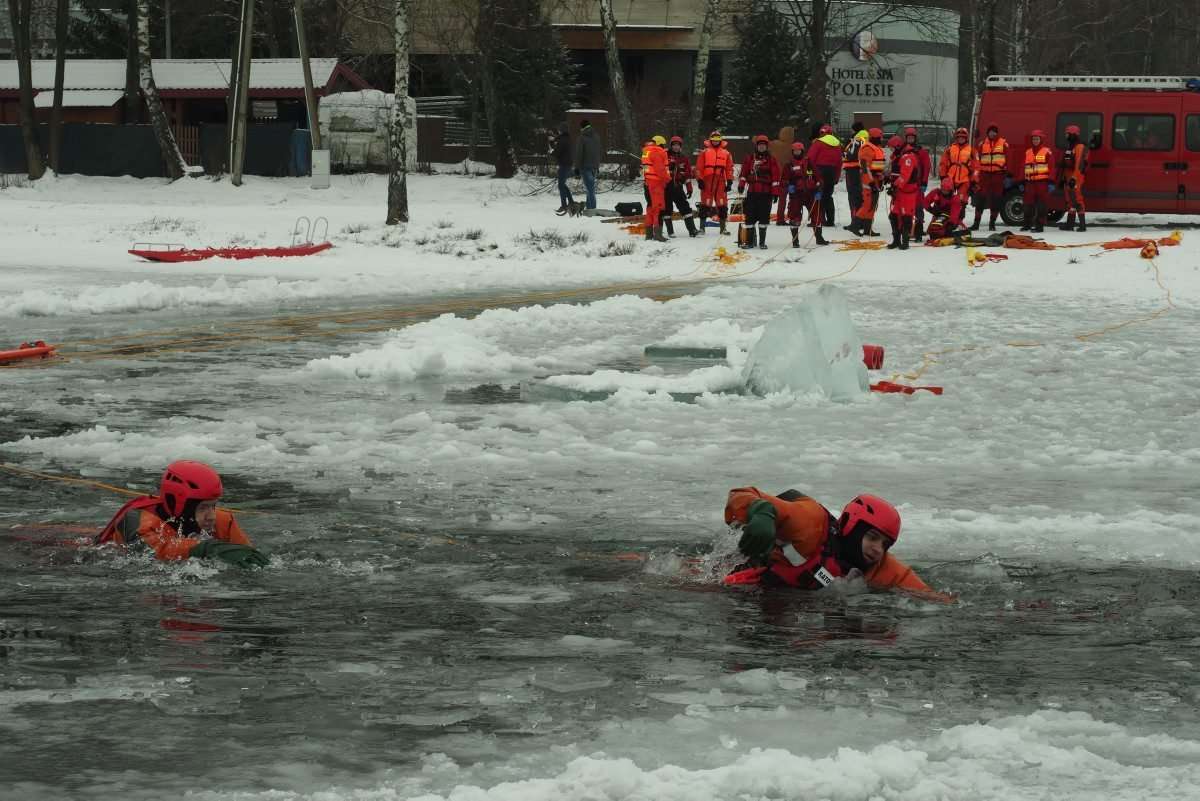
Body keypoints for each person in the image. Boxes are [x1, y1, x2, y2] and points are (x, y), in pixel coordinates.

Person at [723, 487, 942, 597]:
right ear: (851, 526)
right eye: (873, 537)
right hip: (733, 588)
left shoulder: (878, 567)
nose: (878, 549)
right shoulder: (810, 524)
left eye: (886, 544)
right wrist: (762, 513)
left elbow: (930, 598)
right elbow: (742, 494)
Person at [97, 460, 269, 568]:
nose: (211, 516)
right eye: (203, 508)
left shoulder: (223, 521)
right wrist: (205, 548)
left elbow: (249, 555)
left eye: (213, 506)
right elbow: (150, 554)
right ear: (179, 504)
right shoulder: (135, 520)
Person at [737, 134, 781, 249]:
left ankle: (762, 242)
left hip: (765, 193)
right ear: (756, 146)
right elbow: (743, 174)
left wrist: (776, 193)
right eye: (760, 145)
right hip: (752, 192)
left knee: (764, 217)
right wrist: (741, 185)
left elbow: (776, 178)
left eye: (763, 145)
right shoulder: (749, 159)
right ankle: (750, 242)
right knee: (750, 216)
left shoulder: (771, 160)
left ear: (767, 147)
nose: (761, 147)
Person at [782, 139, 827, 247]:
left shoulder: (809, 162)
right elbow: (784, 179)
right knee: (794, 216)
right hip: (796, 195)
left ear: (802, 151)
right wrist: (789, 186)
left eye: (799, 151)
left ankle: (819, 238)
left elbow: (818, 177)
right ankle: (795, 241)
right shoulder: (789, 164)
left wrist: (819, 189)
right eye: (795, 151)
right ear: (792, 152)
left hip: (811, 193)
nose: (797, 152)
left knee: (816, 215)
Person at [846, 127, 886, 237]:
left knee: (873, 205)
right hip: (869, 182)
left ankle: (868, 229)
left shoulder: (876, 148)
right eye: (880, 137)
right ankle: (855, 225)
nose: (881, 139)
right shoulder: (867, 149)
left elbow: (878, 166)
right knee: (867, 204)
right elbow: (865, 168)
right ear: (875, 137)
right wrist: (871, 182)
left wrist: (882, 178)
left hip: (876, 180)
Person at [696, 130, 735, 235]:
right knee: (705, 204)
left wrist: (729, 181)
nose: (716, 141)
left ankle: (723, 229)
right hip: (707, 181)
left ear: (720, 140)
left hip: (720, 181)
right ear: (710, 140)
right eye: (714, 139)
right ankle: (702, 228)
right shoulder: (704, 152)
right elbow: (699, 168)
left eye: (718, 139)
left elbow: (729, 169)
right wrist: (700, 180)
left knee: (722, 205)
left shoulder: (726, 153)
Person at [972, 122, 1008, 231]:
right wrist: (976, 176)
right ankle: (976, 223)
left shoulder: (1004, 144)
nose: (993, 134)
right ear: (988, 133)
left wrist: (1006, 175)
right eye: (991, 132)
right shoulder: (982, 144)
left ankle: (992, 223)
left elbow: (1008, 159)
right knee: (980, 199)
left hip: (998, 176)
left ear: (997, 133)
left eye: (994, 132)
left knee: (996, 200)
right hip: (984, 176)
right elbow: (977, 161)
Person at [887, 137, 921, 250]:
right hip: (899, 191)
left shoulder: (908, 157)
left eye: (892, 148)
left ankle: (905, 241)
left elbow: (905, 176)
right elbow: (897, 173)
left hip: (908, 192)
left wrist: (895, 186)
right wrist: (889, 179)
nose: (891, 151)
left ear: (897, 146)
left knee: (906, 217)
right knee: (893, 215)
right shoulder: (899, 156)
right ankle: (896, 240)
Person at [807, 124, 843, 227]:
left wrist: (809, 174)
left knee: (818, 195)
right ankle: (830, 220)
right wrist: (836, 177)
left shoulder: (818, 143)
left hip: (819, 171)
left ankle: (819, 220)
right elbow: (839, 162)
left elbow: (810, 158)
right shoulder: (837, 145)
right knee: (828, 196)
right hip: (832, 172)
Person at [664, 135, 699, 238]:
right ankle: (670, 232)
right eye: (674, 145)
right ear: (671, 146)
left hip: (678, 187)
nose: (676, 147)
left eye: (678, 145)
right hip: (666, 187)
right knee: (667, 209)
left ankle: (692, 230)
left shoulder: (684, 158)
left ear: (680, 146)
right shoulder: (664, 155)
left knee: (685, 208)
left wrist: (689, 188)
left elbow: (687, 175)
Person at [903, 127, 933, 242]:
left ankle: (918, 231)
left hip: (918, 184)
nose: (910, 139)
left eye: (912, 137)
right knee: (906, 209)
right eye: (908, 137)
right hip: (906, 185)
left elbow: (926, 167)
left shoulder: (922, 152)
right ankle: (907, 230)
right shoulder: (903, 151)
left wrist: (924, 182)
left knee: (918, 208)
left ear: (915, 138)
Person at [1057, 124, 1088, 232]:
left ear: (1072, 134)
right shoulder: (1070, 147)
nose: (1066, 136)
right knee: (1070, 201)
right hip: (1068, 177)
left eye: (1067, 134)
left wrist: (1074, 178)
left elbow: (1079, 165)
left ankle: (1082, 225)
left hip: (1075, 177)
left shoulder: (1079, 147)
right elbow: (1065, 164)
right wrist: (1063, 179)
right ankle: (1070, 224)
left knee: (1077, 200)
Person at [1022, 129, 1053, 233]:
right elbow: (1022, 167)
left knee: (1041, 206)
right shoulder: (1028, 152)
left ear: (1041, 140)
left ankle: (1039, 226)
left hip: (1042, 183)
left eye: (1037, 139)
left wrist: (1051, 182)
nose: (1035, 141)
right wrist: (1021, 181)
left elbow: (1052, 167)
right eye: (1034, 139)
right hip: (1030, 183)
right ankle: (1027, 225)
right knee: (1027, 205)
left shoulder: (1047, 152)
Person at [641, 135, 670, 242]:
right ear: (660, 144)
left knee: (650, 208)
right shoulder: (657, 152)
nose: (664, 147)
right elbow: (660, 169)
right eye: (663, 145)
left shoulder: (646, 151)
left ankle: (649, 235)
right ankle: (658, 235)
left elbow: (647, 167)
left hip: (648, 183)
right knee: (657, 208)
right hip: (656, 184)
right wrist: (667, 179)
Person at [938, 127, 974, 204]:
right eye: (959, 137)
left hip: (964, 180)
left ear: (966, 138)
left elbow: (976, 167)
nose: (961, 139)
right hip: (950, 179)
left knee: (961, 202)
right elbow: (943, 163)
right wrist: (943, 176)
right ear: (956, 138)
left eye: (963, 137)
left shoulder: (972, 150)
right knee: (946, 200)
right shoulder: (950, 149)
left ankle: (960, 210)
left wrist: (974, 180)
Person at [842, 123, 868, 224]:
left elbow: (850, 155)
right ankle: (862, 220)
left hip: (852, 169)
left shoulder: (857, 140)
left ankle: (855, 221)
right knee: (861, 195)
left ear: (855, 130)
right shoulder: (866, 138)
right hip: (861, 170)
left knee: (853, 196)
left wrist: (844, 151)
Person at [573, 119, 602, 210]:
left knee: (590, 189)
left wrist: (577, 167)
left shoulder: (581, 138)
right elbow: (598, 152)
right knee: (590, 188)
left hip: (585, 167)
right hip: (594, 167)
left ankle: (592, 209)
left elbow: (579, 154)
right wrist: (597, 165)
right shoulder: (597, 136)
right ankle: (589, 208)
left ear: (582, 127)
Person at [550, 124, 574, 216]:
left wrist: (551, 152)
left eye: (559, 130)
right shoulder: (567, 139)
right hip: (567, 164)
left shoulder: (562, 140)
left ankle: (564, 205)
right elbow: (559, 148)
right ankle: (571, 202)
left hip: (564, 164)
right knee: (562, 184)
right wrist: (553, 141)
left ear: (561, 131)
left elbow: (557, 152)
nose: (558, 131)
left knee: (561, 185)